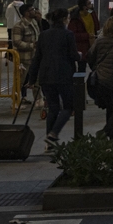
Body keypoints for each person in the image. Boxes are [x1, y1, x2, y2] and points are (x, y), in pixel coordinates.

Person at [24, 9, 80, 149]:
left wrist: (31, 79)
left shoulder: (44, 35)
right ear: (63, 20)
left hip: (46, 76)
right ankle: (53, 134)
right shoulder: (68, 34)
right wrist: (80, 55)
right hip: (63, 75)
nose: (69, 20)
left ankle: (49, 143)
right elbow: (73, 55)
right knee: (69, 107)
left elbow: (37, 58)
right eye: (67, 18)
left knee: (53, 108)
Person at [12, 3, 41, 103]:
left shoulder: (34, 22)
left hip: (35, 57)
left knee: (37, 80)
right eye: (32, 9)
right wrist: (31, 45)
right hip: (24, 58)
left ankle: (38, 99)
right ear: (26, 13)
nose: (34, 11)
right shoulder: (19, 26)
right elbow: (17, 42)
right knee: (20, 80)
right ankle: (16, 101)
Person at [68, 0, 100, 67]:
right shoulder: (76, 19)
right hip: (83, 48)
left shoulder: (91, 13)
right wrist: (87, 35)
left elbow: (97, 26)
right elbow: (73, 34)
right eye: (89, 4)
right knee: (82, 68)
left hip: (93, 45)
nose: (91, 5)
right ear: (84, 7)